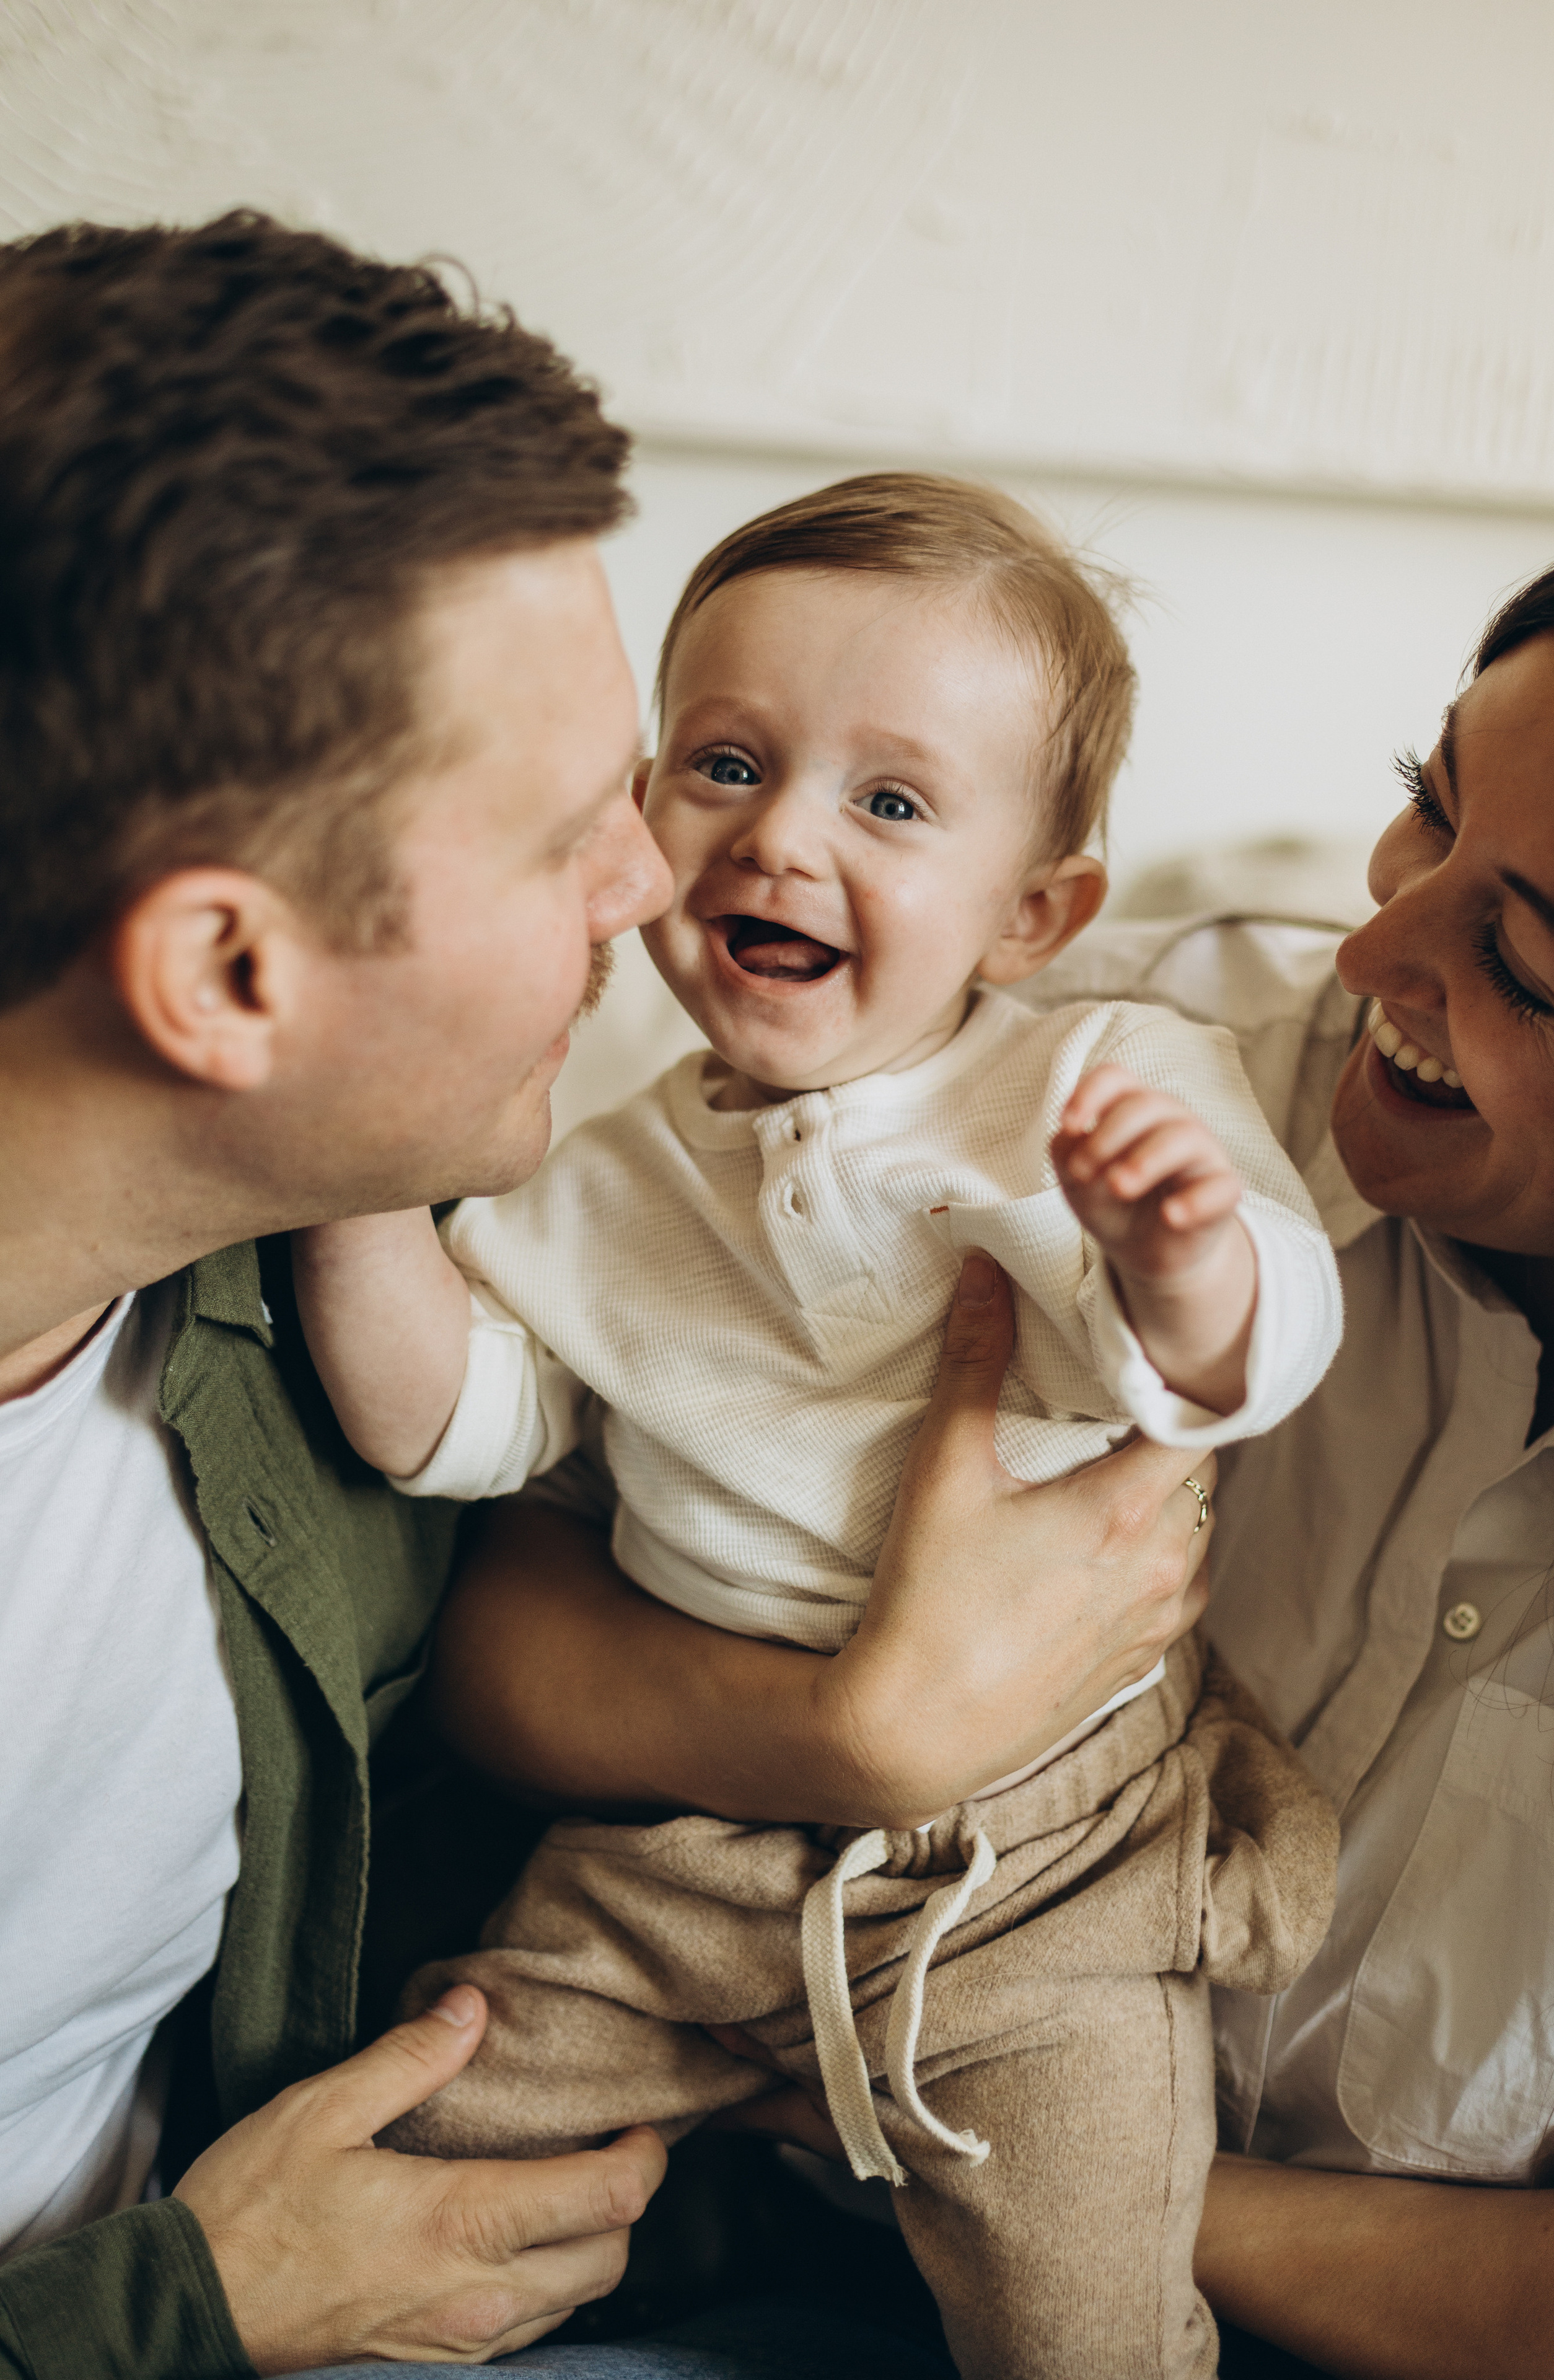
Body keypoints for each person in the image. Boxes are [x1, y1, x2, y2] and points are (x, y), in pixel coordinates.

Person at [0, 213, 1216, 2379]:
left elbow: (507, 1581)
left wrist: (852, 1733)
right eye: (589, 817)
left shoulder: (274, 1280)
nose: (664, 878)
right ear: (225, 977)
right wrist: (184, 2310)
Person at [445, 547, 1554, 2380]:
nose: (1373, 949)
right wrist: (847, 1739)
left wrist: (1021, 2159)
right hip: (756, 2126)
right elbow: (514, 1581)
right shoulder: (1054, 1056)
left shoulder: (1156, 1161)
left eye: (1524, 966)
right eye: (1422, 806)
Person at [293, 476, 1340, 2379]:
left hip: (1040, 1874)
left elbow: (1246, 1358)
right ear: (635, 814)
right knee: (416, 2170)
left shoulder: (1104, 1090)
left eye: (889, 802)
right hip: (666, 1860)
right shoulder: (584, 1175)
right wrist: (361, 1188)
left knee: (1090, 2309)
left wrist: (1180, 1251)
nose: (779, 837)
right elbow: (451, 1424)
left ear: (1036, 910)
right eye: (722, 763)